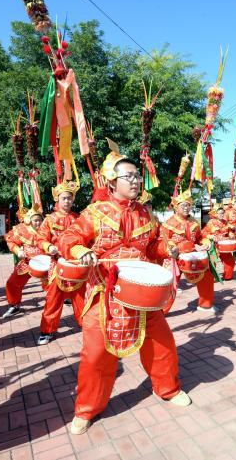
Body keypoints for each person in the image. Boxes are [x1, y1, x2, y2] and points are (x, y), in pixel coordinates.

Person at [58, 147, 190, 435]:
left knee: (163, 344)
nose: (135, 181)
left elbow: (152, 245)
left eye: (137, 176)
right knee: (95, 356)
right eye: (128, 176)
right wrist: (80, 250)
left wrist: (168, 248)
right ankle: (86, 410)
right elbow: (69, 237)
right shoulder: (95, 212)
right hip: (105, 292)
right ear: (111, 181)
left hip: (142, 293)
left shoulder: (146, 214)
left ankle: (168, 388)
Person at [35, 180, 85, 344]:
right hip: (57, 264)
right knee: (53, 299)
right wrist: (48, 246)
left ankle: (86, 325)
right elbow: (40, 238)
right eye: (64, 198)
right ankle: (47, 330)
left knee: (81, 297)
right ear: (57, 199)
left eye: (70, 198)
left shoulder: (78, 218)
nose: (67, 201)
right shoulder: (49, 220)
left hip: (76, 264)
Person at [161, 189, 216, 313]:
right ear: (176, 207)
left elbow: (199, 237)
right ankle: (160, 311)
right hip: (174, 257)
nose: (186, 208)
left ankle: (205, 305)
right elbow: (163, 239)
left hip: (192, 256)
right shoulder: (169, 223)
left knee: (207, 275)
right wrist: (172, 248)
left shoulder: (194, 222)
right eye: (183, 206)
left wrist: (205, 243)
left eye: (188, 205)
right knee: (168, 283)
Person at [2, 207, 46, 318]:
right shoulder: (23, 230)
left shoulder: (47, 230)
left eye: (40, 220)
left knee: (53, 285)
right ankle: (14, 305)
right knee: (12, 282)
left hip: (45, 263)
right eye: (35, 220)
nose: (38, 223)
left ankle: (61, 301)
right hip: (27, 262)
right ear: (30, 221)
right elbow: (10, 240)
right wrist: (18, 250)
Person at [203, 204, 236, 280]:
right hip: (214, 246)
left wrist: (231, 234)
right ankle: (210, 278)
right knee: (212, 263)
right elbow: (204, 233)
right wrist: (211, 236)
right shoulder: (211, 222)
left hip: (224, 246)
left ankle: (228, 276)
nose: (221, 214)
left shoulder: (225, 222)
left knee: (230, 261)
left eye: (222, 213)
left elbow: (230, 231)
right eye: (219, 213)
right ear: (215, 213)